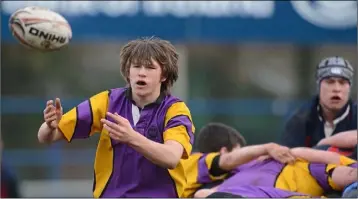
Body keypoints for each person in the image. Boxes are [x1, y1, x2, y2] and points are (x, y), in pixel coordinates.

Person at [37, 37, 195, 198]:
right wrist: (50, 127)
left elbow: (171, 157)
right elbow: (46, 137)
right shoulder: (107, 101)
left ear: (164, 76)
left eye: (149, 67)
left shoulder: (175, 110)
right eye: (136, 66)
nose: (141, 72)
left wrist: (131, 137)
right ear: (128, 71)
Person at [183, 123, 357, 198]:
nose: (248, 155)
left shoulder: (269, 161)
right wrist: (267, 148)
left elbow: (319, 148)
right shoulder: (212, 174)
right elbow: (228, 161)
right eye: (242, 151)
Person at [182, 122, 296, 198]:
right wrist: (268, 148)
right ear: (223, 151)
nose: (243, 160)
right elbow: (228, 160)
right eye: (240, 153)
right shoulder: (197, 162)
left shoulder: (209, 181)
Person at [280, 56, 356, 148]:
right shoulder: (300, 120)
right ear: (318, 86)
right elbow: (287, 156)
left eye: (342, 82)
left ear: (349, 88)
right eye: (330, 82)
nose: (336, 89)